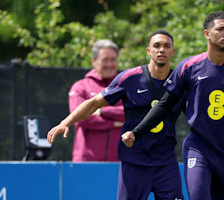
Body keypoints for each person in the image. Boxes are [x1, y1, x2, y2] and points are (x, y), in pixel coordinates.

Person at [122, 11, 224, 199]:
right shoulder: (188, 67)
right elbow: (164, 105)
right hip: (198, 147)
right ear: (206, 33)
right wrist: (137, 132)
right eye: (220, 29)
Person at [47, 30, 184, 200]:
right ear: (148, 50)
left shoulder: (180, 81)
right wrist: (65, 122)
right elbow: (94, 102)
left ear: (173, 52)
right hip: (135, 161)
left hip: (166, 162)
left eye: (166, 46)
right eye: (157, 45)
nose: (161, 50)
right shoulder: (129, 78)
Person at [69, 39, 125, 162]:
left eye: (113, 60)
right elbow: (80, 117)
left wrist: (101, 112)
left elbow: (133, 113)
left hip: (121, 161)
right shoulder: (80, 87)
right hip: (86, 161)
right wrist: (113, 123)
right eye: (105, 60)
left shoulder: (126, 86)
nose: (110, 64)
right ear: (94, 61)